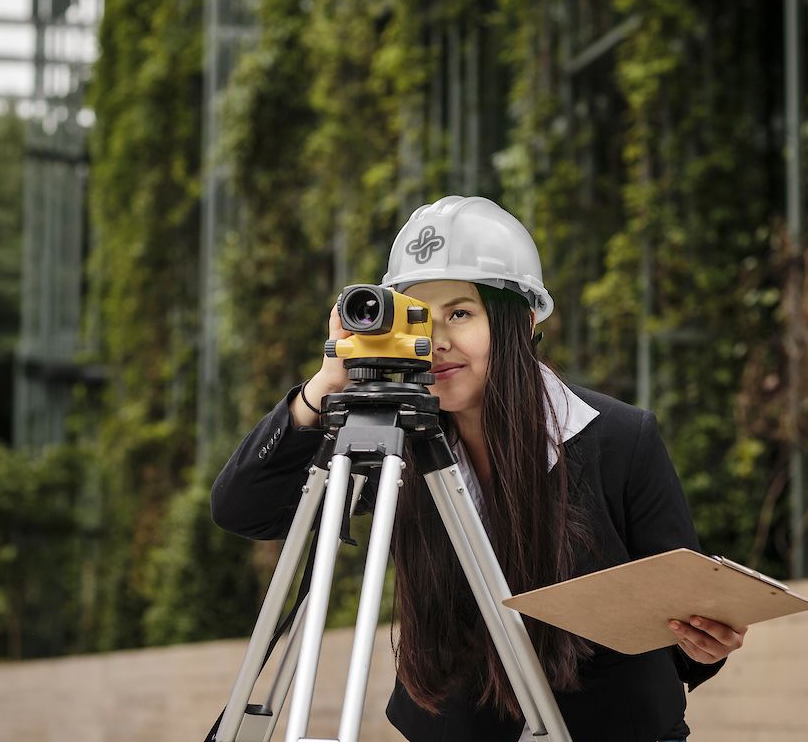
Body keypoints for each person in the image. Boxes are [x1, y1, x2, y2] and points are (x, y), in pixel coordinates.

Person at [210, 196, 745, 742]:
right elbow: (243, 509)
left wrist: (706, 644)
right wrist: (324, 387)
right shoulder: (393, 445)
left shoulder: (621, 438)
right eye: (419, 317)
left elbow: (688, 632)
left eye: (460, 314)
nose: (437, 342)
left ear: (524, 320)